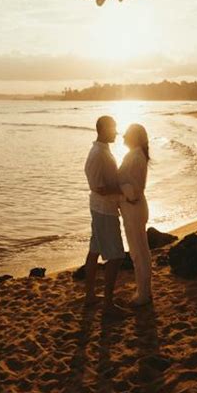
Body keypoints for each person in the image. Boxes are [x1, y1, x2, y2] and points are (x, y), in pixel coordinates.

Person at [84, 115, 125, 316]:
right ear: (102, 130)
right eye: (113, 128)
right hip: (104, 210)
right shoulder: (97, 154)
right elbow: (98, 187)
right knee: (116, 255)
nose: (116, 132)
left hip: (102, 208)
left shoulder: (103, 150)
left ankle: (90, 296)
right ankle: (108, 305)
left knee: (95, 248)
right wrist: (123, 190)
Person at [118, 123, 153, 306]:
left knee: (138, 253)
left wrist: (117, 188)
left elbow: (135, 190)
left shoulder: (136, 157)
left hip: (134, 208)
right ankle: (145, 291)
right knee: (141, 252)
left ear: (135, 137)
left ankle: (143, 294)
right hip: (135, 208)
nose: (123, 136)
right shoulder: (135, 155)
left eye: (127, 133)